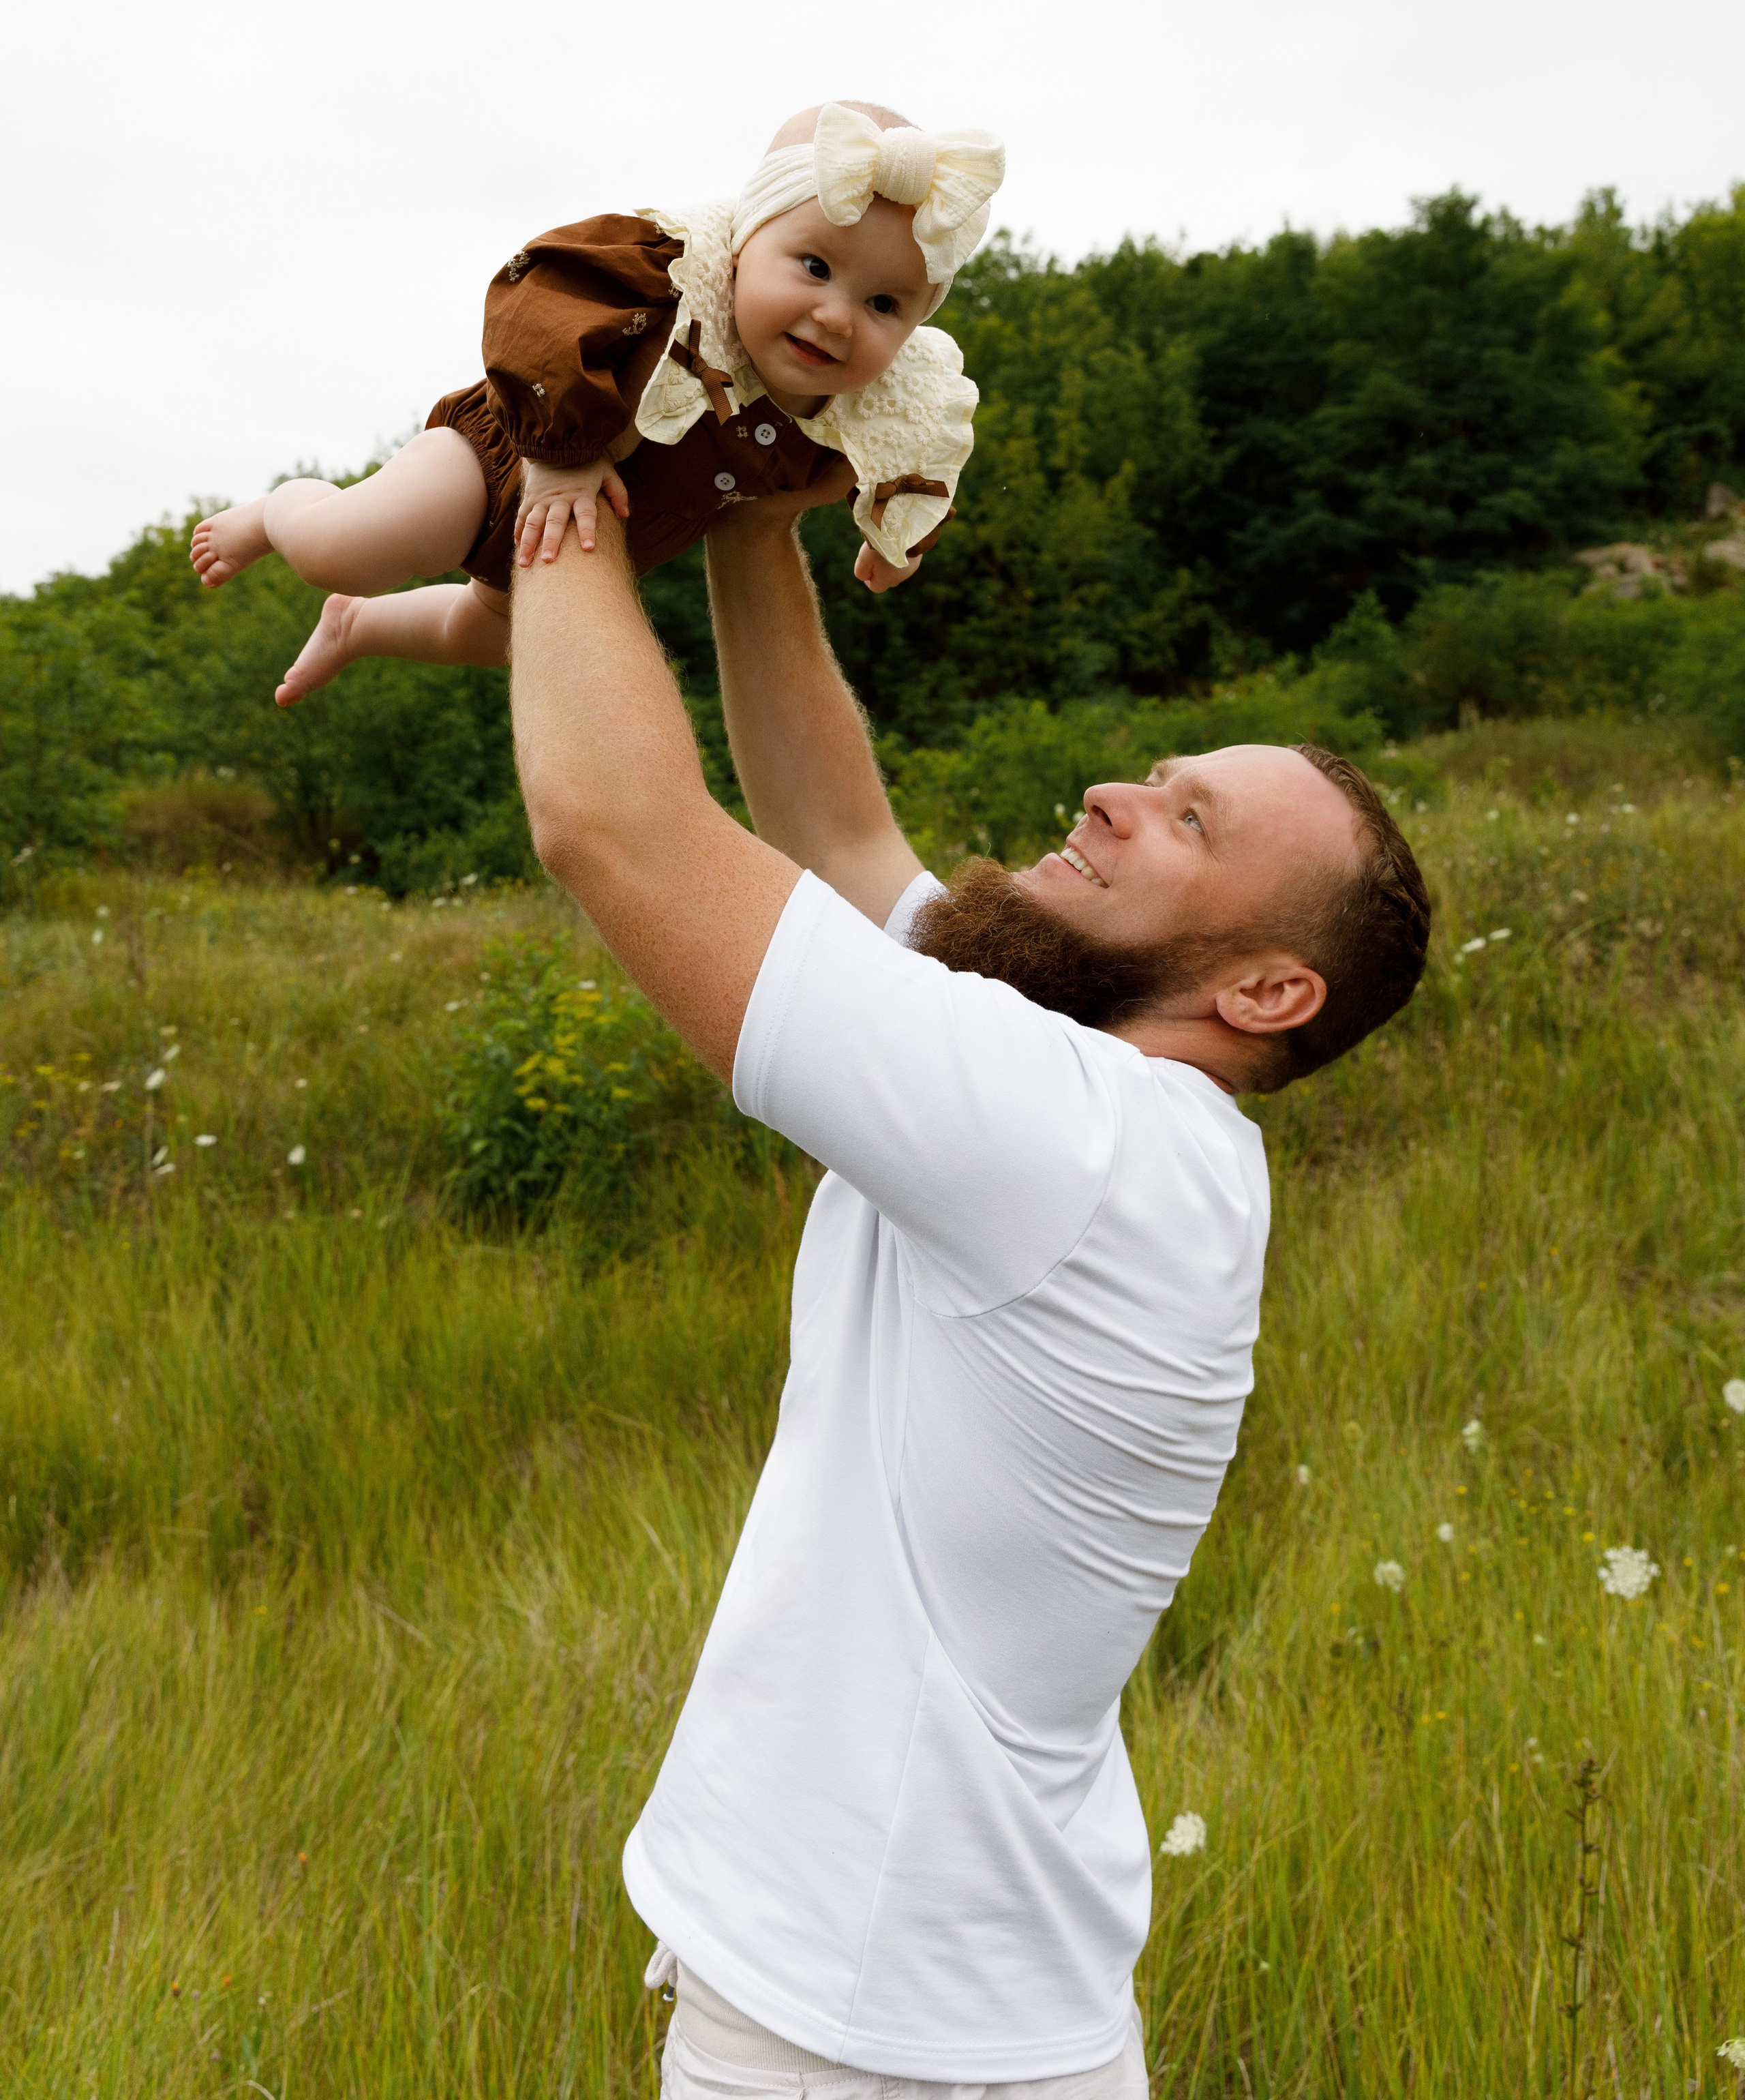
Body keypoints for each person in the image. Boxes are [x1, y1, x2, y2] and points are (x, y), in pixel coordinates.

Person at [509, 479, 1431, 2095]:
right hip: (950, 1997)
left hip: (857, 2035)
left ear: (1263, 986)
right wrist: (744, 519)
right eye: (1155, 773)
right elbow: (840, 830)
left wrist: (560, 447)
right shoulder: (1096, 1096)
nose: (1109, 795)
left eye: (1185, 818)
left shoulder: (1070, 1136)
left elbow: (612, 821)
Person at [187, 101, 1001, 703]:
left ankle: (355, 627)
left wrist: (899, 534)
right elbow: (536, 300)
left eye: (885, 306)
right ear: (745, 241)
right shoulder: (671, 279)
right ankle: (284, 510)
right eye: (815, 268)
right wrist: (560, 453)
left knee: (483, 636)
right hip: (502, 460)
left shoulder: (868, 399)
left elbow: (918, 450)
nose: (836, 316)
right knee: (349, 550)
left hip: (585, 542)